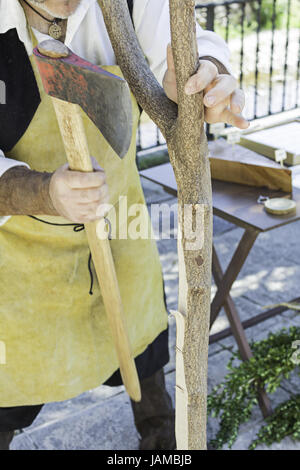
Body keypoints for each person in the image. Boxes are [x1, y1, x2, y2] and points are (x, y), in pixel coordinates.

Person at [0, 0, 248, 450]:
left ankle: (162, 445)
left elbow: (187, 42)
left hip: (121, 232)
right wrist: (44, 192)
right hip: (18, 264)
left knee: (146, 359)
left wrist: (206, 73)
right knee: (4, 399)